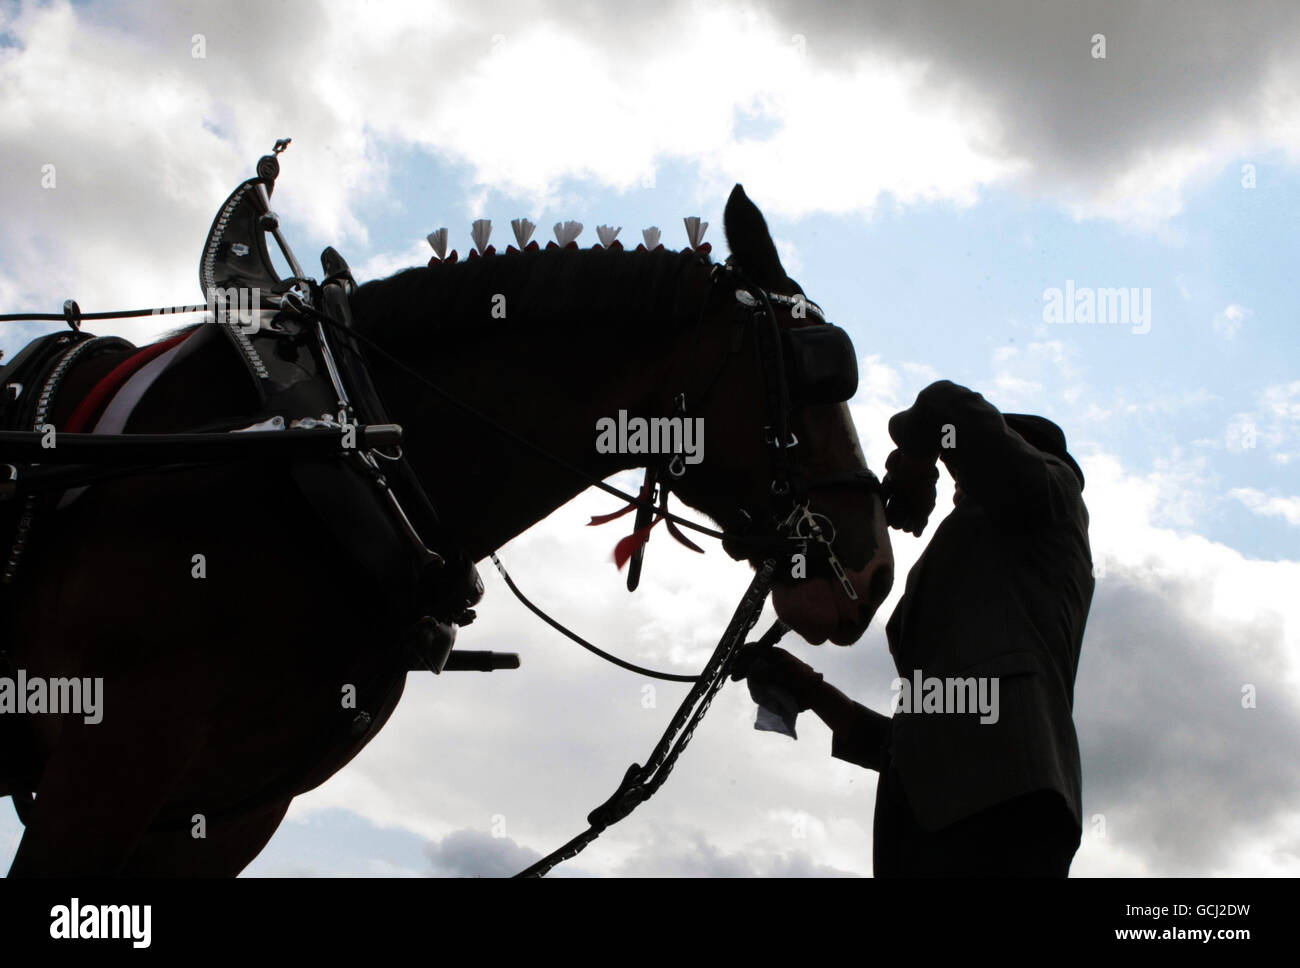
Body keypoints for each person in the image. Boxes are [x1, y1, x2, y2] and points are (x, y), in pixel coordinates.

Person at [741, 380, 1094, 876]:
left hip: (1000, 803)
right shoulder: (997, 560)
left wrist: (917, 459)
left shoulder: (1050, 498)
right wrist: (810, 691)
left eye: (961, 475)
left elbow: (944, 405)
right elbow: (912, 744)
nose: (955, 488)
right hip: (942, 816)